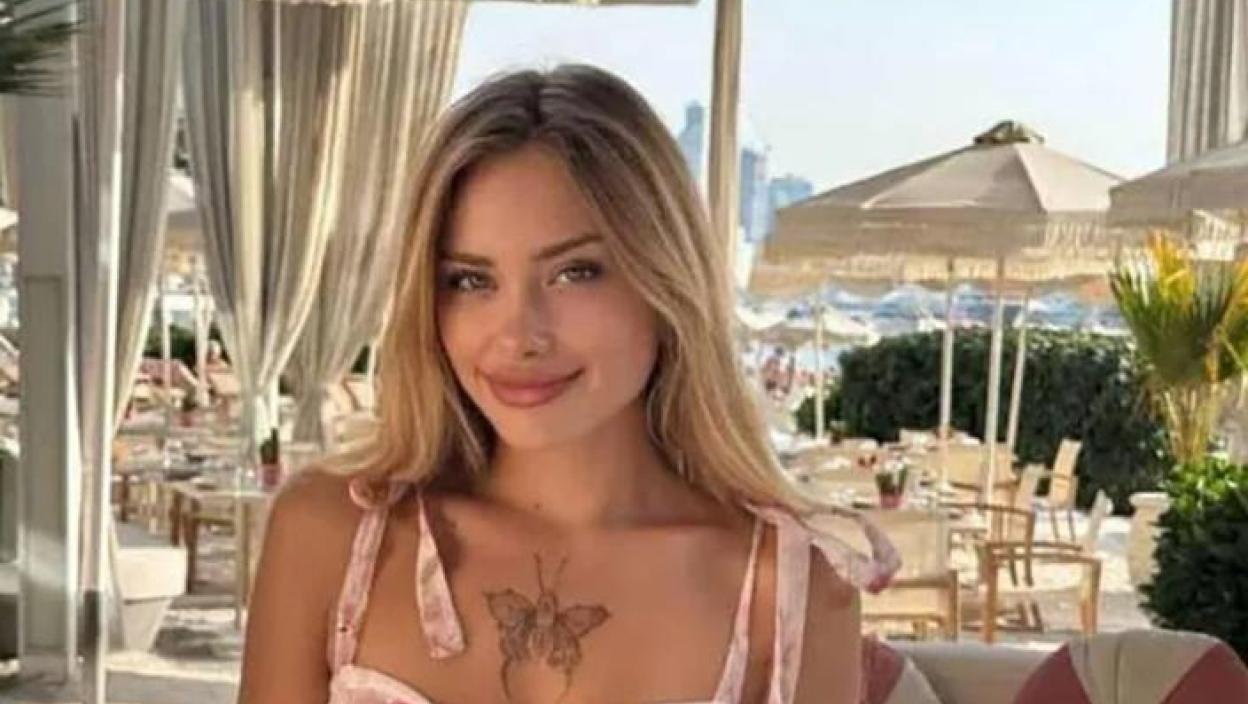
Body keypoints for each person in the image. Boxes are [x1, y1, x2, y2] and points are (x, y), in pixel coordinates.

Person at [240, 65, 896, 704]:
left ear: (664, 280)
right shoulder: (327, 533)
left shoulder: (793, 587)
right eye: (471, 280)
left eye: (574, 273)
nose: (518, 336)